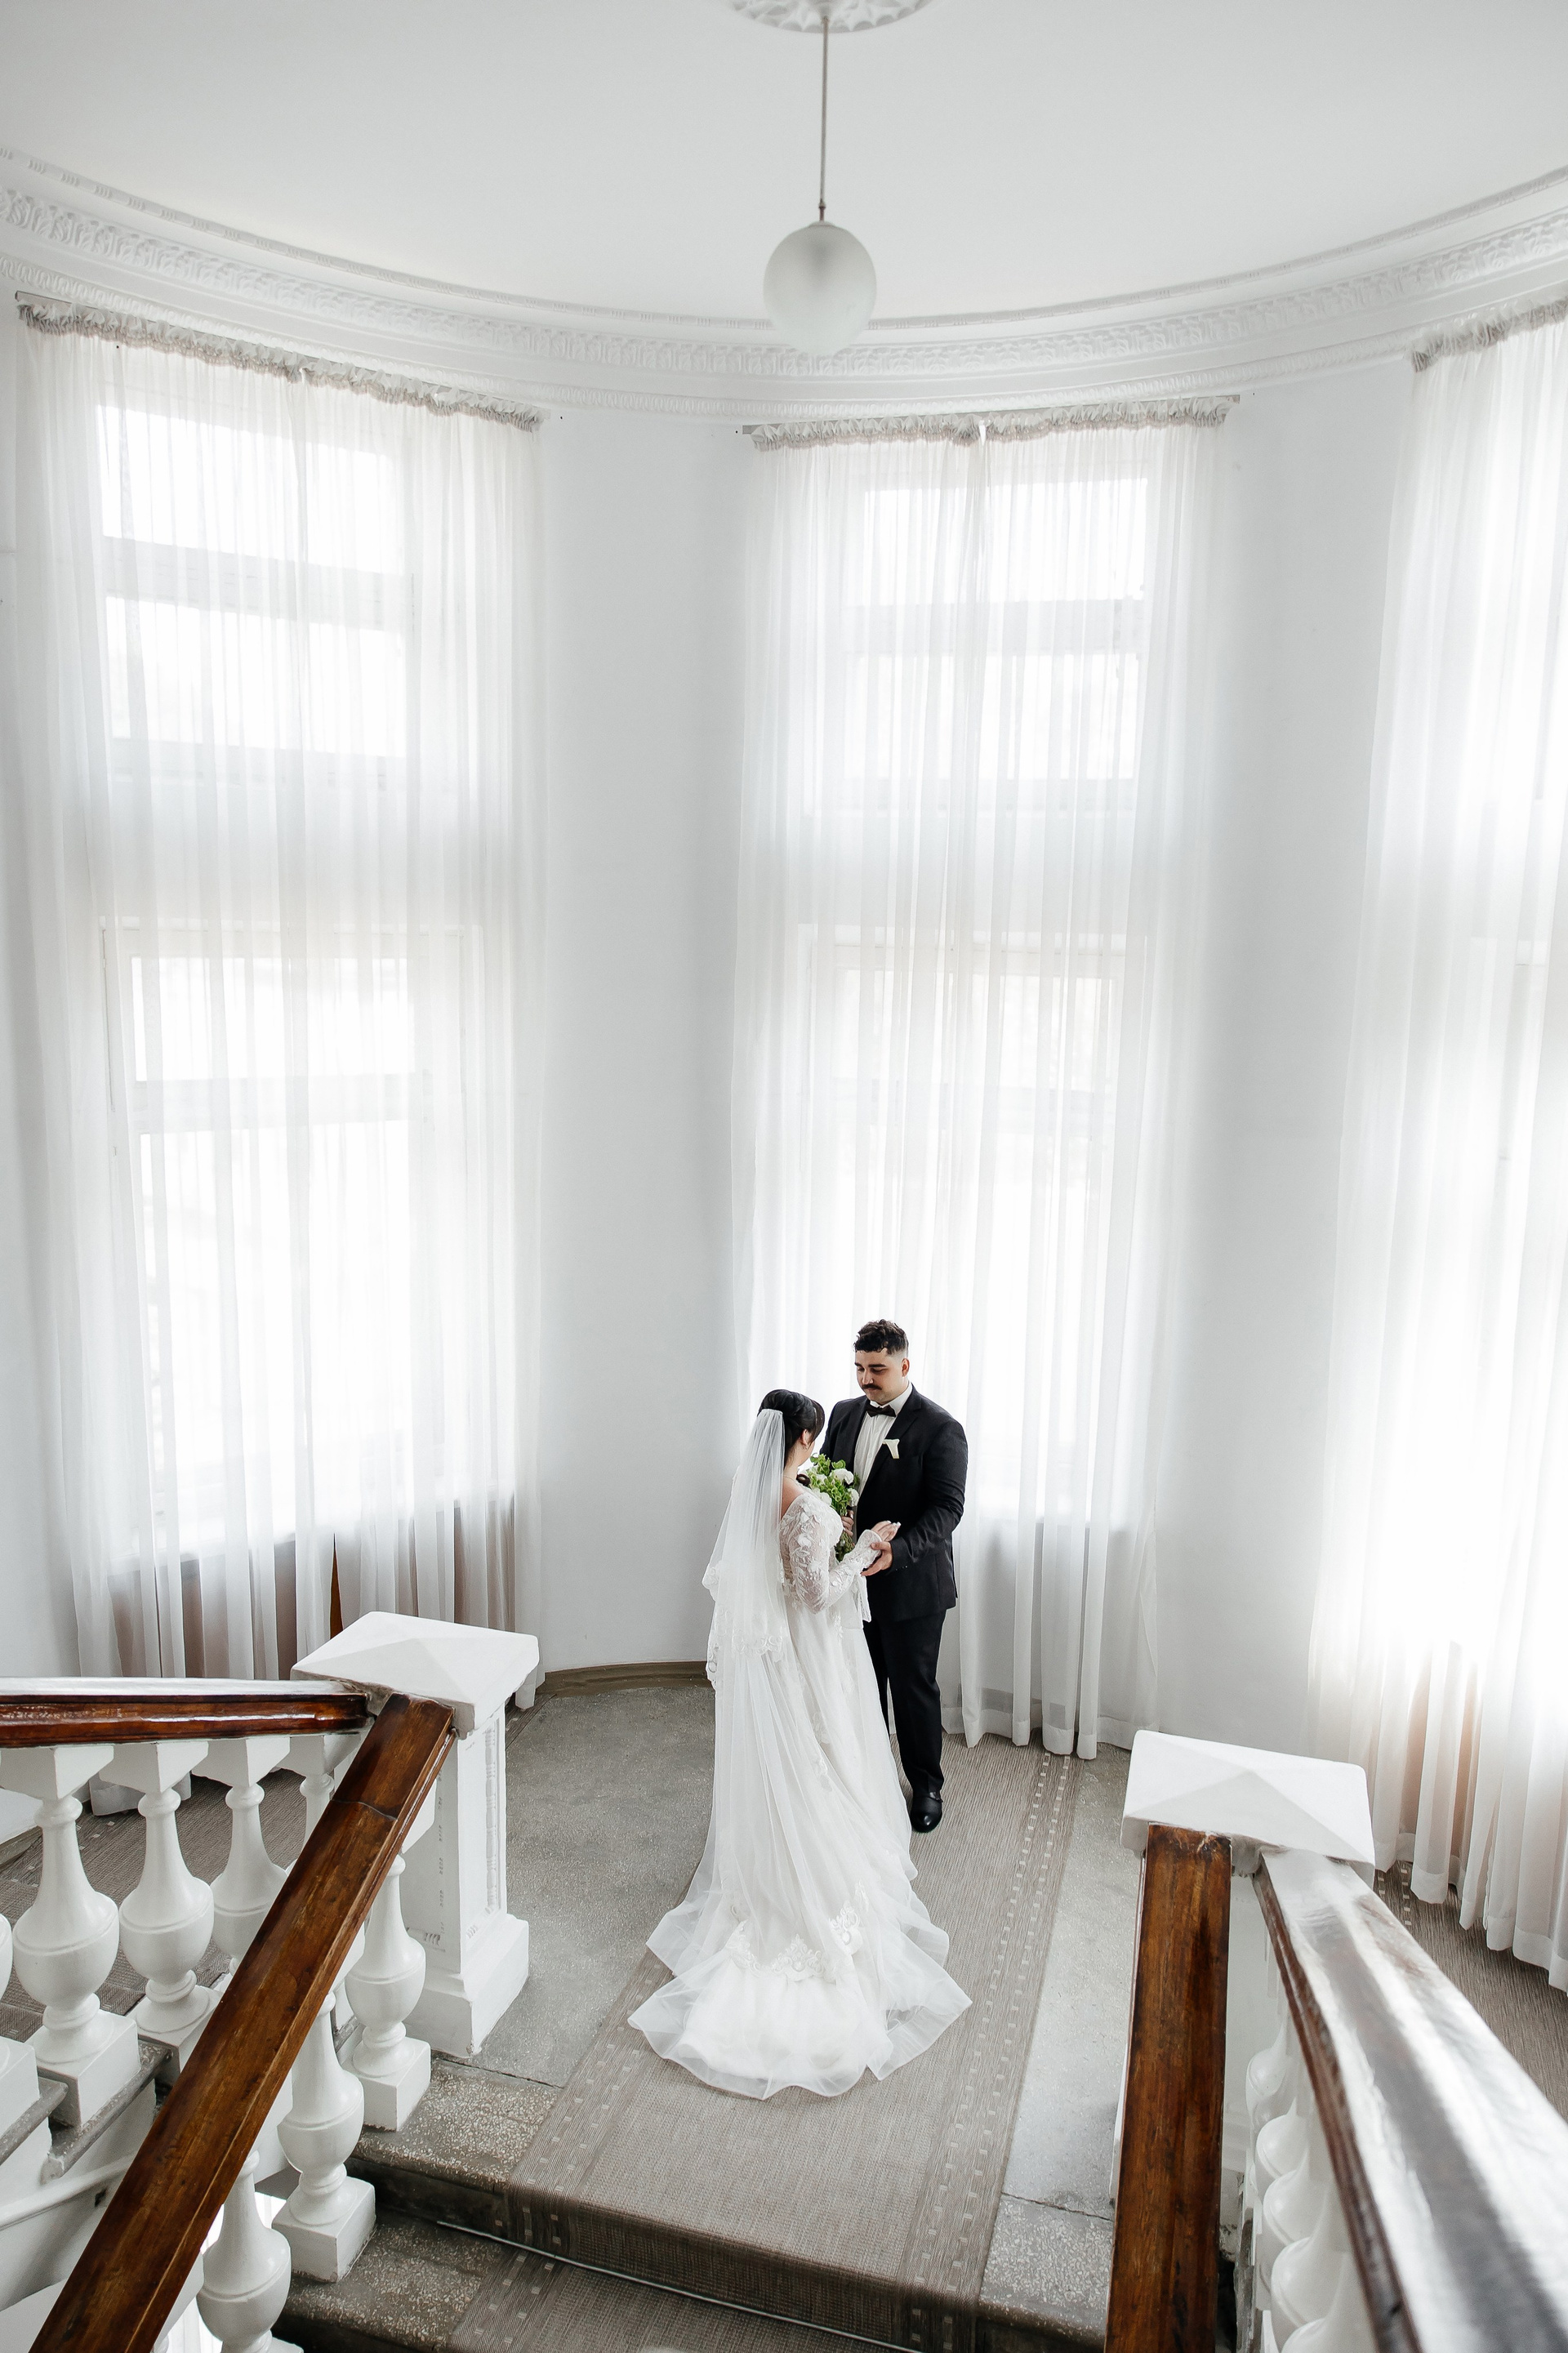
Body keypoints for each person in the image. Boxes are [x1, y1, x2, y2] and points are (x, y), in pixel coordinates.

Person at [629, 1393, 969, 2100]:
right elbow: (817, 1595)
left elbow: (772, 1578)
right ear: (807, 1436)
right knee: (825, 1757)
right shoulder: (807, 1505)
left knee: (799, 1761)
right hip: (810, 1651)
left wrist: (842, 1537)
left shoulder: (752, 1495)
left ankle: (775, 1861)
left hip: (776, 1655)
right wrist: (864, 1549)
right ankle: (816, 1886)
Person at [822, 1322, 967, 1834]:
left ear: (905, 1366)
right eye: (860, 1368)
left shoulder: (941, 1428)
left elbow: (948, 1509)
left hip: (912, 1584)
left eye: (877, 1369)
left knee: (912, 1688)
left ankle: (926, 1785)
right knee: (861, 1684)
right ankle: (872, 1778)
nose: (866, 1379)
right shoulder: (843, 1413)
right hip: (851, 1580)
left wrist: (897, 1551)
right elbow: (827, 1475)